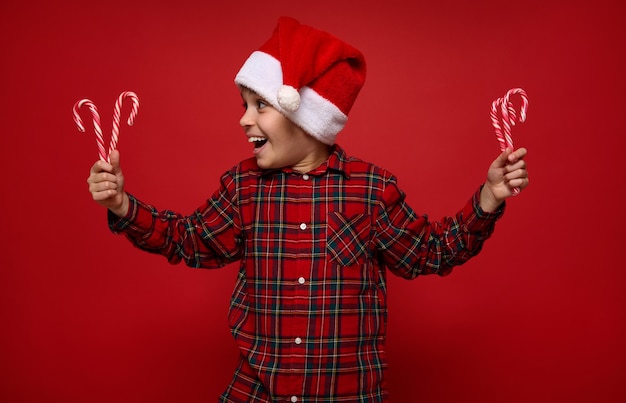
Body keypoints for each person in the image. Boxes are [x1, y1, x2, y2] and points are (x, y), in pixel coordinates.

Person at [87, 16, 528, 402]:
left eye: (260, 105)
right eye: (244, 105)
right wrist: (123, 206)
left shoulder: (370, 190)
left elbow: (431, 252)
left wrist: (488, 198)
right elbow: (190, 241)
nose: (244, 119)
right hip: (258, 390)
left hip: (346, 393)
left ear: (305, 117)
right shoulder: (243, 187)